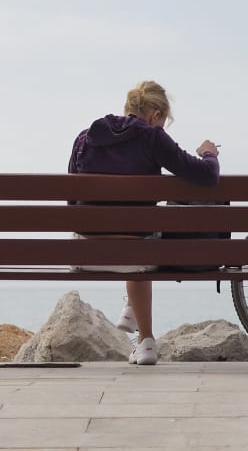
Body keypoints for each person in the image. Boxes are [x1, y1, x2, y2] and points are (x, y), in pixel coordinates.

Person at [68, 80, 220, 366]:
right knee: (143, 240)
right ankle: (146, 340)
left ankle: (132, 313)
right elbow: (206, 176)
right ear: (154, 116)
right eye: (163, 123)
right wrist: (209, 153)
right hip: (136, 256)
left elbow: (71, 199)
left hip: (85, 254)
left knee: (135, 237)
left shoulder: (85, 138)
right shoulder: (152, 137)